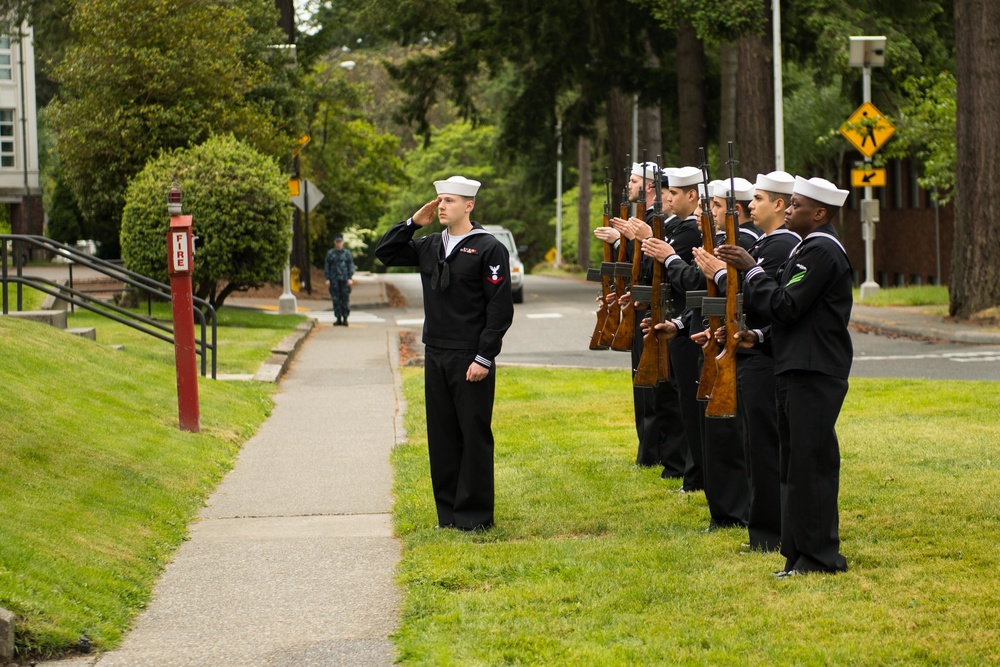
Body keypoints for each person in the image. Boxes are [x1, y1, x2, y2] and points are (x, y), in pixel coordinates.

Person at [715, 176, 853, 576]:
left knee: (811, 467)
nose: (788, 210)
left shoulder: (822, 251)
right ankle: (797, 555)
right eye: (789, 204)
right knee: (794, 465)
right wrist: (757, 336)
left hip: (815, 371)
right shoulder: (808, 249)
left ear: (820, 213)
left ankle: (820, 557)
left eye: (795, 205)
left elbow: (787, 304)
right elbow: (795, 321)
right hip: (797, 367)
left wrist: (752, 269)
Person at [374, 176, 514, 531]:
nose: (441, 206)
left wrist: (484, 357)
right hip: (435, 352)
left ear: (469, 205)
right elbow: (384, 252)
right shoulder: (429, 244)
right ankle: (448, 515)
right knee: (442, 436)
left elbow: (500, 308)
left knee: (473, 434)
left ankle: (476, 516)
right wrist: (411, 223)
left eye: (449, 201)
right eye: (439, 200)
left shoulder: (488, 247)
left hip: (470, 355)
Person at [694, 171, 801, 552]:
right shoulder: (769, 244)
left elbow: (764, 300)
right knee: (755, 447)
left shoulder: (778, 246)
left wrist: (720, 273)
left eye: (757, 200)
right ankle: (763, 531)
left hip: (763, 357)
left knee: (764, 450)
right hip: (750, 348)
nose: (749, 207)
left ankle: (770, 534)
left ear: (778, 205)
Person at [600, 162, 688, 480]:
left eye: (636, 180)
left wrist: (637, 238)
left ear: (651, 187)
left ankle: (658, 452)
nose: (630, 185)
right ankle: (650, 450)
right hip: (644, 307)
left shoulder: (660, 223)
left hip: (661, 311)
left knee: (657, 386)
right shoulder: (647, 221)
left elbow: (657, 269)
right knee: (647, 384)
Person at [324, 234, 355, 326]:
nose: (339, 243)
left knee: (345, 299)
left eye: (340, 242)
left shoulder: (347, 253)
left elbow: (351, 266)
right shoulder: (330, 254)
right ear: (335, 242)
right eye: (337, 242)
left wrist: (350, 277)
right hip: (334, 280)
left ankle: (345, 317)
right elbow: (327, 266)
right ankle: (338, 318)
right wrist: (327, 278)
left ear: (343, 242)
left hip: (345, 280)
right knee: (336, 299)